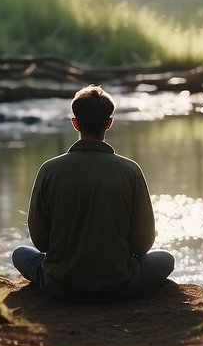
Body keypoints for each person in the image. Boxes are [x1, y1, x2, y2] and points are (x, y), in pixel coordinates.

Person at [12, 85, 175, 302]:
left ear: (75, 123)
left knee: (20, 254)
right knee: (165, 259)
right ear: (109, 123)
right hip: (120, 285)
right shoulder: (130, 170)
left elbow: (41, 243)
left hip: (59, 283)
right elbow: (143, 244)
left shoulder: (49, 169)